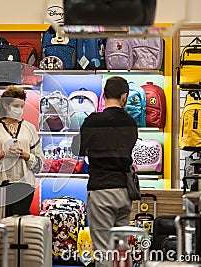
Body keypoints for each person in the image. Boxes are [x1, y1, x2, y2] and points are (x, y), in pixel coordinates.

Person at [72, 76, 138, 266]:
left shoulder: (93, 121)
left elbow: (77, 149)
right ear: (124, 96)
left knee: (102, 251)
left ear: (103, 95)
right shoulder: (130, 123)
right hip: (124, 191)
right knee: (120, 250)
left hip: (101, 190)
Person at [0, 85, 44, 217]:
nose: (19, 110)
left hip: (24, 185)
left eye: (22, 106)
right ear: (6, 105)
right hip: (0, 186)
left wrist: (26, 156)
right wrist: (3, 154)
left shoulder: (30, 129)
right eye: (16, 106)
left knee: (20, 225)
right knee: (3, 223)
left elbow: (40, 164)